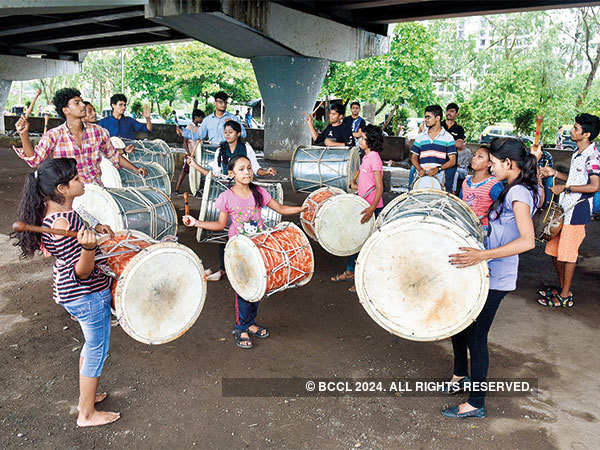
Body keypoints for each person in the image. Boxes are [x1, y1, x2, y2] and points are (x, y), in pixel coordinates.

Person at [11, 158, 120, 427]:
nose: (81, 181)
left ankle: (89, 394)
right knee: (97, 349)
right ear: (62, 188)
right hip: (86, 294)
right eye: (76, 179)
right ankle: (86, 413)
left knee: (90, 343)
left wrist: (94, 232)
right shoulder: (63, 223)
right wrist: (90, 248)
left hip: (71, 293)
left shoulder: (56, 213)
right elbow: (82, 272)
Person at [442, 137, 540, 419]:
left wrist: (482, 256)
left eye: (494, 163)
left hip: (497, 276)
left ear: (508, 163)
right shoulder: (514, 187)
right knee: (460, 327)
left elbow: (527, 241)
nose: (492, 168)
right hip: (486, 270)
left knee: (476, 337)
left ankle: (476, 403)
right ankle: (462, 375)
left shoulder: (518, 193)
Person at [181, 155, 306, 349]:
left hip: (258, 249)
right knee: (243, 290)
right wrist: (196, 222)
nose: (247, 172)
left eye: (248, 168)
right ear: (231, 173)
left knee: (258, 287)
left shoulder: (259, 192)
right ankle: (241, 328)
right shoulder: (226, 197)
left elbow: (280, 208)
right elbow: (221, 225)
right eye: (241, 169)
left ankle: (250, 322)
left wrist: (303, 208)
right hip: (238, 251)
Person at [186, 120, 277, 281]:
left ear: (238, 133)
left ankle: (245, 269)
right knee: (224, 232)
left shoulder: (246, 148)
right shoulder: (220, 149)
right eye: (225, 131)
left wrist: (266, 171)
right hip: (224, 191)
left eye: (231, 131)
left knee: (247, 229)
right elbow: (213, 173)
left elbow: (255, 168)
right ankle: (223, 269)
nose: (227, 134)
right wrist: (195, 165)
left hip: (243, 192)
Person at [13, 88, 147, 186]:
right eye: (77, 103)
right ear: (66, 110)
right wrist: (24, 134)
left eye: (82, 102)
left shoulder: (99, 132)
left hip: (96, 190)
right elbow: (34, 161)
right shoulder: (53, 135)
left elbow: (114, 156)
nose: (83, 105)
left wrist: (135, 169)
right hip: (68, 195)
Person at [537, 113, 600, 308]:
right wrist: (554, 173)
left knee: (568, 254)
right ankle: (564, 287)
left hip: (577, 211)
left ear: (587, 134)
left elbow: (594, 186)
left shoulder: (593, 156)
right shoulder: (577, 152)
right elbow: (574, 179)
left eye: (576, 128)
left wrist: (565, 188)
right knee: (555, 251)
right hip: (565, 209)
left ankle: (564, 296)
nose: (571, 131)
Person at [330, 124, 384, 292]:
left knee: (365, 244)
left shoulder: (374, 157)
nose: (360, 140)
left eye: (362, 138)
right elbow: (364, 183)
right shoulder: (366, 157)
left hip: (371, 208)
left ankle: (362, 279)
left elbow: (380, 187)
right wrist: (354, 186)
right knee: (356, 240)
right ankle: (350, 271)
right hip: (363, 205)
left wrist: (371, 208)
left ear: (370, 141)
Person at [410, 105, 457, 191]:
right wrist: (420, 169)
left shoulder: (448, 137)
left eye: (428, 117)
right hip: (421, 174)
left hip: (439, 176)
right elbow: (413, 157)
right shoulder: (420, 137)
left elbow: (452, 161)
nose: (425, 120)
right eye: (425, 117)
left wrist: (438, 169)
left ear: (438, 118)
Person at [460, 145, 504, 232]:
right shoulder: (466, 181)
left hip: (483, 230)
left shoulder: (494, 184)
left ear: (489, 163)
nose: (474, 158)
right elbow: (461, 204)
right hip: (465, 226)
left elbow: (502, 209)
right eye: (474, 155)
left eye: (480, 157)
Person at [177, 91, 246, 144]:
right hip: (213, 151)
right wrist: (184, 132)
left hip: (229, 150)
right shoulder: (207, 120)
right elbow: (199, 135)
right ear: (215, 103)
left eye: (225, 103)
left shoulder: (233, 118)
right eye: (221, 102)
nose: (224, 105)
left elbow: (244, 134)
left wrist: (234, 126)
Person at [174, 109, 205, 194]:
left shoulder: (199, 128)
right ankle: (176, 189)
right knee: (184, 172)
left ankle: (196, 190)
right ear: (196, 117)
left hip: (197, 155)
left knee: (197, 173)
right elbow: (185, 142)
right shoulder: (189, 127)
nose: (202, 119)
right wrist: (188, 153)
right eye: (201, 117)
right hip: (190, 154)